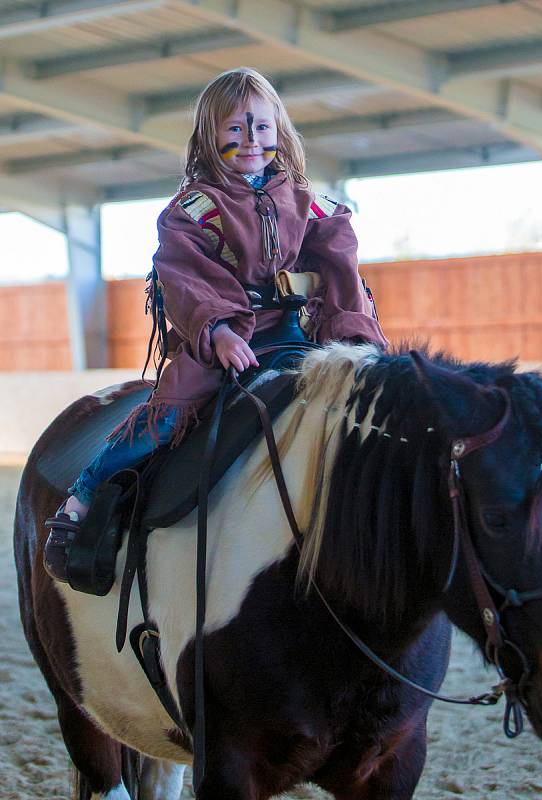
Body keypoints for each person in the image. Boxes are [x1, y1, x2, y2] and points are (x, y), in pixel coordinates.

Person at [43, 66, 387, 582]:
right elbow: (186, 278)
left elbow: (341, 272)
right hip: (229, 342)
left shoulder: (317, 208)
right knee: (164, 420)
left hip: (305, 336)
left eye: (262, 129)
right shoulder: (190, 212)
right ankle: (87, 492)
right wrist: (219, 330)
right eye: (235, 129)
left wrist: (355, 337)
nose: (251, 141)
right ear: (210, 136)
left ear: (280, 133)